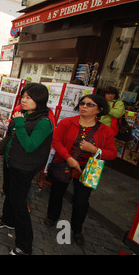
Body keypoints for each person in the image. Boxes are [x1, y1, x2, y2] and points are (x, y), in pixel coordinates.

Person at [45, 94, 117, 245]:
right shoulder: (67, 122)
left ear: (100, 110)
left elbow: (112, 154)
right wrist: (68, 158)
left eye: (90, 105)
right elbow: (56, 141)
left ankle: (77, 229)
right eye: (82, 103)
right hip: (64, 163)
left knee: (81, 201)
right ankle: (51, 217)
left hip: (89, 169)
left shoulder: (105, 130)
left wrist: (95, 149)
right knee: (57, 193)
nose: (84, 106)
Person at [0, 83, 54, 255]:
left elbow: (29, 145)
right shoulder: (25, 114)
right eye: (23, 97)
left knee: (20, 203)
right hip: (11, 161)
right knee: (10, 192)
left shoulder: (44, 122)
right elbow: (13, 135)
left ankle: (25, 245)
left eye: (28, 97)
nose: (24, 100)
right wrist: (2, 151)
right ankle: (7, 219)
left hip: (24, 167)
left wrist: (18, 122)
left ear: (40, 100)